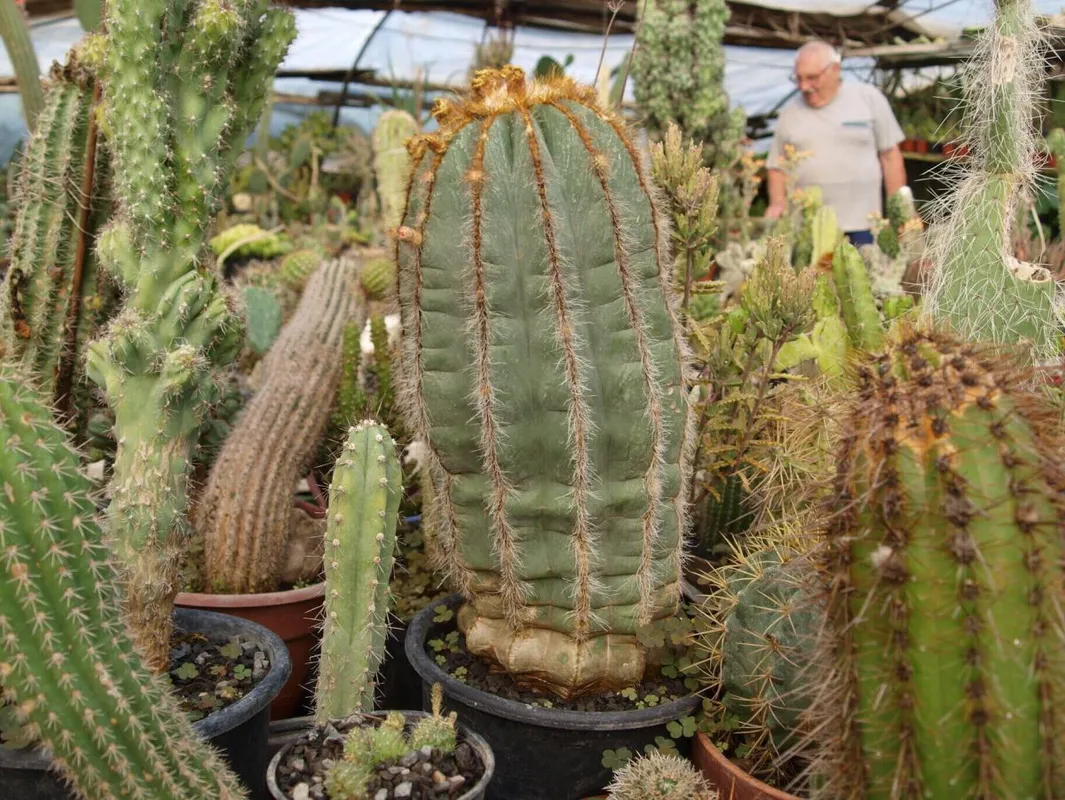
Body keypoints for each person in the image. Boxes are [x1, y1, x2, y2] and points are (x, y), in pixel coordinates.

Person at [763, 40, 908, 247]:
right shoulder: (790, 113)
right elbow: (776, 166)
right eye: (798, 78)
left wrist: (899, 212)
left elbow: (890, 156)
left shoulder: (868, 99)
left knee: (864, 267)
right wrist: (778, 203)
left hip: (863, 225)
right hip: (808, 228)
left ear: (835, 69)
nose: (804, 86)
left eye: (812, 77)